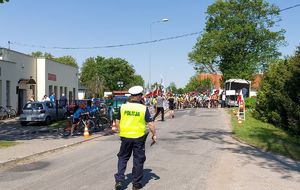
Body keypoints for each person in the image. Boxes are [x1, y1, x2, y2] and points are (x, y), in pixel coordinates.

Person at [113, 86, 156, 190]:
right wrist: (154, 135)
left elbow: (117, 121)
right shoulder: (143, 108)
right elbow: (150, 124)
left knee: (123, 157)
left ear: (131, 96)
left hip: (125, 137)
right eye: (141, 95)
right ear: (139, 96)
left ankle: (119, 180)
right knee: (138, 160)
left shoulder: (123, 107)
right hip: (138, 138)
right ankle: (136, 185)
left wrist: (120, 132)